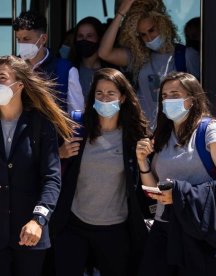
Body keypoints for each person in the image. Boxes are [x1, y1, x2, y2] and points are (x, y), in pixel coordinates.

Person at [0, 55, 74, 276]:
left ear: (20, 84)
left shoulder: (41, 124)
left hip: (29, 234)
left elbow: (52, 178)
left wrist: (38, 220)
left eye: (2, 78)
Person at [136, 72, 216, 276]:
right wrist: (143, 162)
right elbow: (155, 189)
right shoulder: (163, 133)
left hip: (198, 232)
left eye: (175, 94)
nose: (168, 100)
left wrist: (179, 194)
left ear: (192, 100)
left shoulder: (211, 131)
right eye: (164, 96)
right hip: (163, 229)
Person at [52, 68, 149, 276]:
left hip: (115, 228)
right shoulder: (76, 128)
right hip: (74, 224)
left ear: (122, 98)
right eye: (99, 93)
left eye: (111, 93)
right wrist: (59, 153)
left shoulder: (134, 136)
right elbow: (46, 164)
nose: (104, 99)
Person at [98, 0, 200, 130]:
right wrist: (120, 14)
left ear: (163, 25)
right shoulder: (140, 57)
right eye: (143, 35)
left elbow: (198, 96)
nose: (149, 38)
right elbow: (104, 53)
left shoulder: (186, 55)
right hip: (145, 132)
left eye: (152, 30)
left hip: (177, 131)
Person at [13, 10, 85, 113]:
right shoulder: (12, 68)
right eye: (18, 39)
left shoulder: (66, 70)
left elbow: (77, 113)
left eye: (26, 38)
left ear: (43, 39)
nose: (21, 43)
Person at [69, 16, 110, 100]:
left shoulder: (111, 72)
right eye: (80, 36)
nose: (84, 40)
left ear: (99, 38)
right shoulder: (70, 71)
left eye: (89, 36)